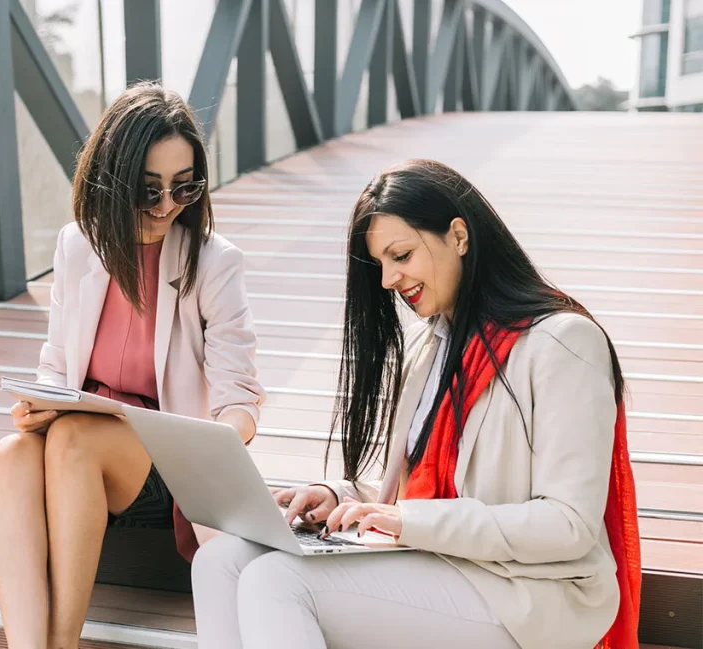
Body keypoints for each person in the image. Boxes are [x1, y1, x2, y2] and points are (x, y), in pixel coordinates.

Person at [191, 159, 640, 649]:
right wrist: (341, 499)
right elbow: (422, 486)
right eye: (380, 264)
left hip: (529, 591)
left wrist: (408, 521)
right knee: (221, 560)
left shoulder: (563, 342)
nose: (388, 279)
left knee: (278, 581)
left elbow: (568, 524)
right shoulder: (433, 346)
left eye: (400, 255)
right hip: (441, 561)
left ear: (459, 237)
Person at [0, 81, 266, 649]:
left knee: (73, 441)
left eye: (184, 188)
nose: (167, 207)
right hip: (78, 444)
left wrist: (213, 439)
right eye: (149, 190)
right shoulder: (76, 246)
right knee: (14, 451)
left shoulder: (214, 263)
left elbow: (241, 396)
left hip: (164, 464)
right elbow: (56, 362)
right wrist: (41, 402)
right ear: (111, 182)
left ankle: (62, 642)